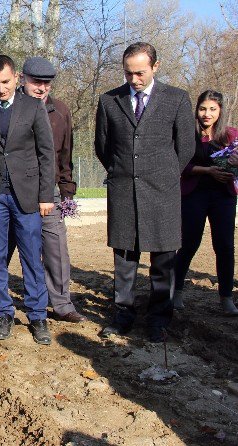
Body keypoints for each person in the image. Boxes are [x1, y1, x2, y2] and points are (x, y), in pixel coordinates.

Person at [94, 42, 195, 342]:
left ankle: (159, 319)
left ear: (155, 66)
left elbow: (186, 147)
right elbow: (103, 147)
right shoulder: (109, 100)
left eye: (140, 73)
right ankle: (123, 314)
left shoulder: (177, 99)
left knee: (163, 262)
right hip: (124, 190)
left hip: (162, 192)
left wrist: (162, 175)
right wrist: (121, 172)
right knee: (124, 260)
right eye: (128, 73)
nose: (134, 79)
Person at [0, 56, 87, 324]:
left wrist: (64, 191)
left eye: (47, 83)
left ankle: (61, 304)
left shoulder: (60, 111)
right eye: (37, 81)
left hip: (45, 193)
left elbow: (62, 155)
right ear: (22, 79)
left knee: (54, 248)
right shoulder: (3, 107)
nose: (42, 87)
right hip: (5, 191)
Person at [0, 54, 55, 344]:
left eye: (5, 81)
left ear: (16, 77)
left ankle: (38, 315)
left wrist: (45, 195)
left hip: (27, 196)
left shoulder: (33, 107)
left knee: (31, 257)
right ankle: (4, 312)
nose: (1, 88)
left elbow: (46, 153)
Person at [174, 90, 238, 316]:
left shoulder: (231, 135)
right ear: (196, 110)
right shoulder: (187, 134)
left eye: (212, 109)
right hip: (194, 194)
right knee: (188, 243)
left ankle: (226, 297)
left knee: (224, 246)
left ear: (220, 111)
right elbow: (181, 165)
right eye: (202, 109)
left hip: (223, 197)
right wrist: (208, 171)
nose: (206, 114)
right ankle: (177, 291)